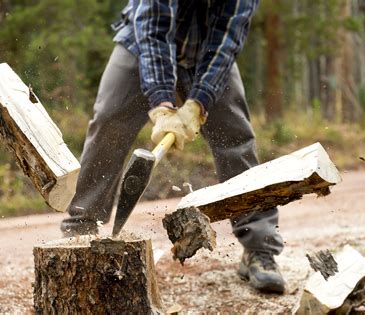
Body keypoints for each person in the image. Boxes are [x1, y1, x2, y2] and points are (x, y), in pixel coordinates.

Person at [61, 0, 285, 294]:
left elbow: (228, 37)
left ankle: (260, 249)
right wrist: (161, 103)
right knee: (109, 122)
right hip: (142, 43)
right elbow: (154, 28)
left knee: (236, 137)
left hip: (208, 54)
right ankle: (80, 231)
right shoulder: (149, 34)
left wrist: (200, 102)